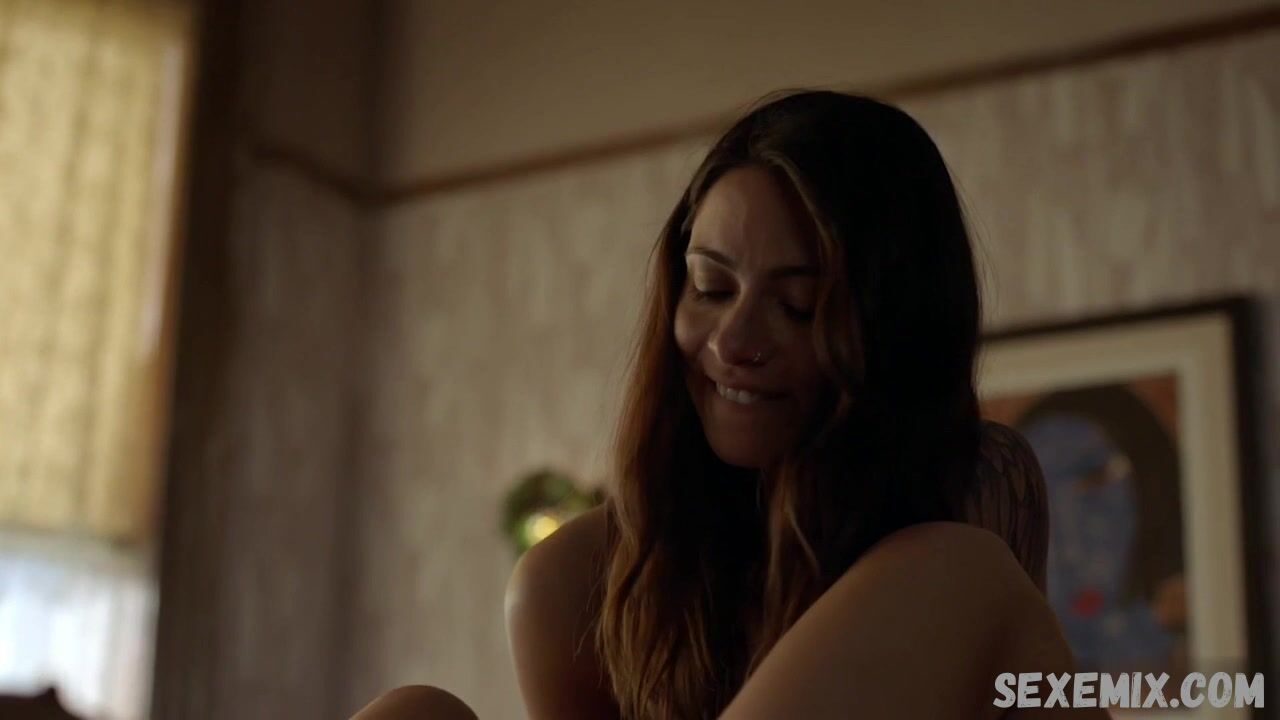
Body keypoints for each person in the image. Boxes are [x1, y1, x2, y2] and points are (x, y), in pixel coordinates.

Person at [353, 90, 1106, 719]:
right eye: (711, 288)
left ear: (894, 332)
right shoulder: (569, 583)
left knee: (958, 568)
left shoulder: (978, 487)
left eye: (799, 306)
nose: (733, 341)